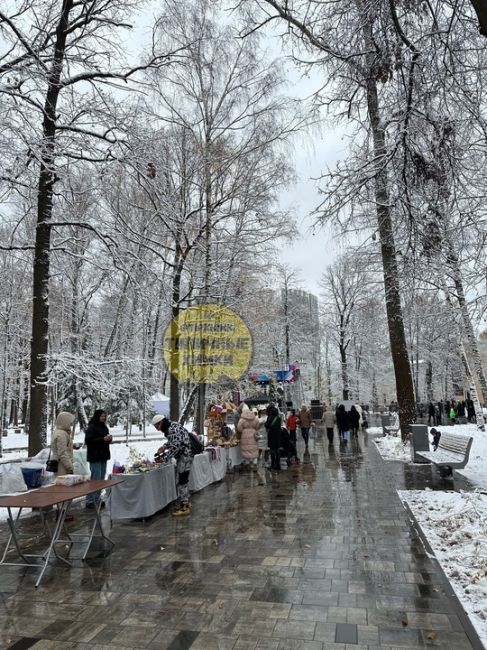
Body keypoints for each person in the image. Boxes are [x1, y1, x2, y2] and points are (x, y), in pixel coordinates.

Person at [153, 415, 195, 516]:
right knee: (184, 479)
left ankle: (184, 506)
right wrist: (165, 446)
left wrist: (165, 457)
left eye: (157, 426)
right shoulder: (173, 425)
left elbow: (176, 446)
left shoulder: (171, 429)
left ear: (161, 422)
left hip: (184, 457)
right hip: (187, 455)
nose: (157, 429)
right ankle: (186, 502)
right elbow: (175, 440)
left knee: (182, 481)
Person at [84, 409, 112, 509]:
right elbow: (88, 441)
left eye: (104, 416)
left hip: (103, 455)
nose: (103, 418)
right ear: (97, 416)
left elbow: (104, 439)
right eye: (101, 416)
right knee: (95, 479)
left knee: (101, 479)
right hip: (95, 456)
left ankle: (97, 498)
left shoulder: (104, 426)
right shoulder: (92, 427)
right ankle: (90, 500)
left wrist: (108, 439)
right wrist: (103, 439)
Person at [51, 411, 75, 476]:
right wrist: (69, 467)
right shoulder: (61, 434)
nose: (71, 424)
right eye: (70, 422)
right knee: (64, 484)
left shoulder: (58, 431)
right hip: (62, 466)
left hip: (59, 463)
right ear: (65, 422)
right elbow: (62, 453)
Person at [237, 405, 261, 469]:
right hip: (253, 434)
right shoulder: (254, 417)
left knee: (246, 450)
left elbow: (239, 428)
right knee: (254, 449)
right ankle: (255, 463)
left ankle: (247, 464)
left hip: (245, 435)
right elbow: (258, 425)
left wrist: (243, 430)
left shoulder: (242, 419)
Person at [265, 405, 282, 470]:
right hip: (278, 435)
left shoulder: (270, 417)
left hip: (272, 434)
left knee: (272, 449)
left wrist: (265, 424)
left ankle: (273, 465)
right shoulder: (278, 417)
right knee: (277, 449)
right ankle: (278, 465)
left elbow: (267, 425)